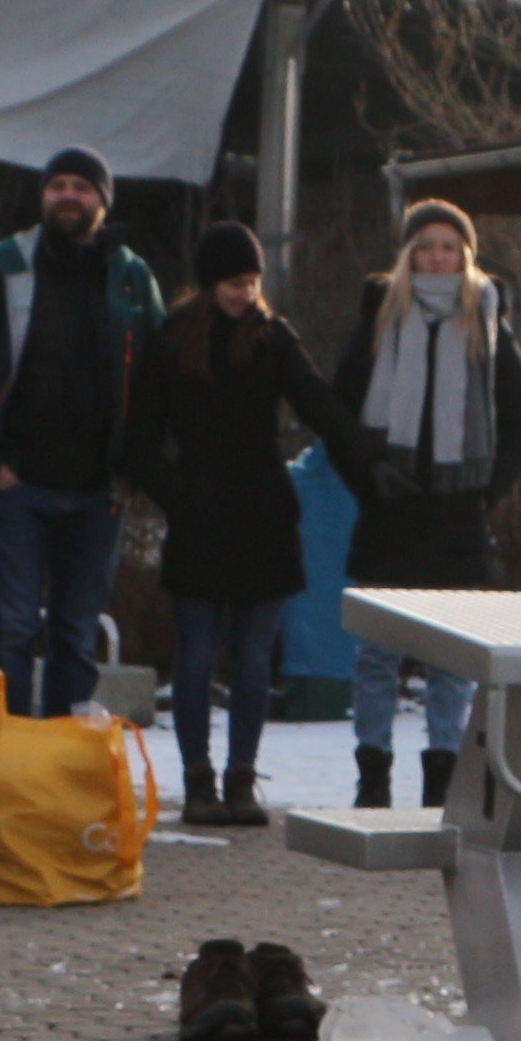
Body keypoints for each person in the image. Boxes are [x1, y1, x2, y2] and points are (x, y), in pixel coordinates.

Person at [124, 221, 348, 826]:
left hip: (265, 518)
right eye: (232, 283)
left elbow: (317, 402)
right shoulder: (173, 341)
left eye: (251, 283)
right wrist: (177, 494)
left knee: (253, 660)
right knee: (195, 656)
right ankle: (198, 779)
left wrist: (367, 447)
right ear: (208, 283)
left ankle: (241, 778)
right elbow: (139, 438)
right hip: (199, 518)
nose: (243, 294)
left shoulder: (273, 339)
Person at [328, 198, 521, 810]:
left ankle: (441, 778)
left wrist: (486, 490)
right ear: (408, 254)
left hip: (455, 516)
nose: (437, 257)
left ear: (465, 255)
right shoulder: (379, 315)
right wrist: (368, 476)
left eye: (449, 246)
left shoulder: (487, 319)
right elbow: (337, 411)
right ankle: (373, 775)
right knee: (377, 657)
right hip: (389, 511)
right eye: (426, 246)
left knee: (452, 663)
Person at [0, 145, 161, 718]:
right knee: (11, 631)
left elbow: (159, 378)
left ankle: (62, 770)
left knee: (76, 635)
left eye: (82, 186)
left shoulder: (134, 277)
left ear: (103, 200)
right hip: (18, 485)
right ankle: (11, 765)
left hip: (98, 492)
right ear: (43, 195)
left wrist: (137, 465)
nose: (68, 195)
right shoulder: (3, 265)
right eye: (58, 184)